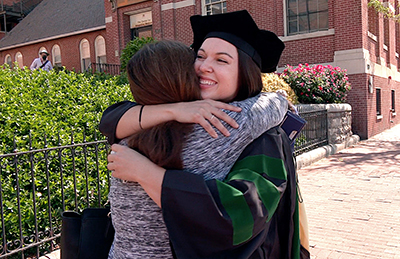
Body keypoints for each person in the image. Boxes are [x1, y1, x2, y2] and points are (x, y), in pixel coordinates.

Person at [101, 10, 309, 259]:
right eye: (199, 56)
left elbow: (237, 216)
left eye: (222, 60)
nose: (204, 67)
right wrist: (177, 110)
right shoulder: (169, 120)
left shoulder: (265, 138)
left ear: (244, 72)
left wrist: (148, 174)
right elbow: (111, 118)